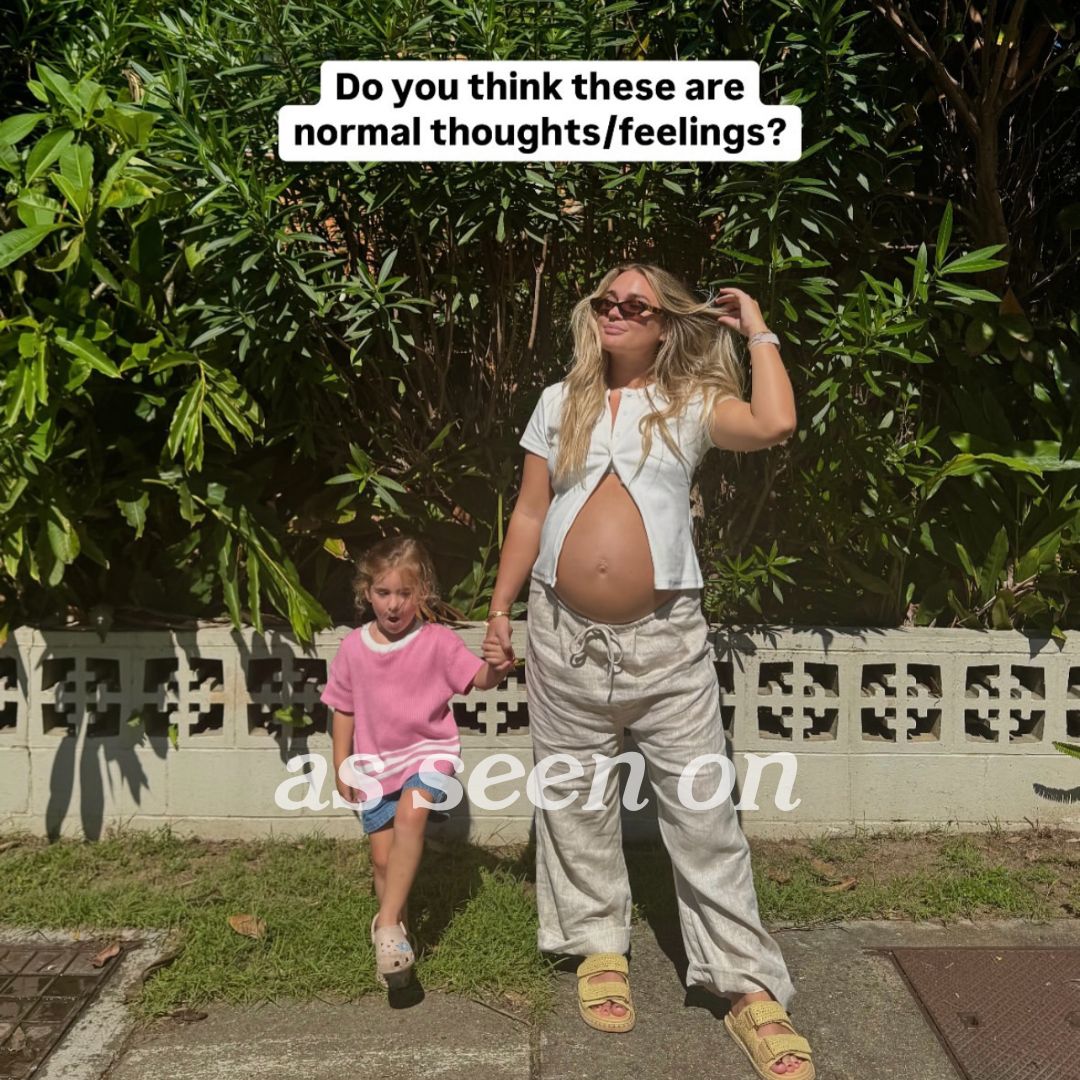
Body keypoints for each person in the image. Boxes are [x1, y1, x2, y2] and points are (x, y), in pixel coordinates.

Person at [482, 264, 813, 1079]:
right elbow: (530, 510)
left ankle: (745, 983)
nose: (617, 312)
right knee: (574, 798)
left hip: (666, 642)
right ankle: (597, 942)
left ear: (665, 323)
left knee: (703, 812)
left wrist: (758, 329)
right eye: (607, 301)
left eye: (637, 304)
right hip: (561, 634)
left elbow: (774, 422)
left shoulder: (690, 402)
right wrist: (499, 609)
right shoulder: (560, 401)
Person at [322, 536, 512, 989]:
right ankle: (396, 945)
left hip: (429, 753)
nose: (393, 604)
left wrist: (497, 666)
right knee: (382, 861)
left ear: (422, 592)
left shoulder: (437, 642)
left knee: (412, 814)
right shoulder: (353, 649)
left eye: (404, 593)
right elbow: (343, 708)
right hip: (374, 764)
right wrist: (340, 761)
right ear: (366, 592)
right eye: (383, 592)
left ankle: (385, 923)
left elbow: (477, 678)